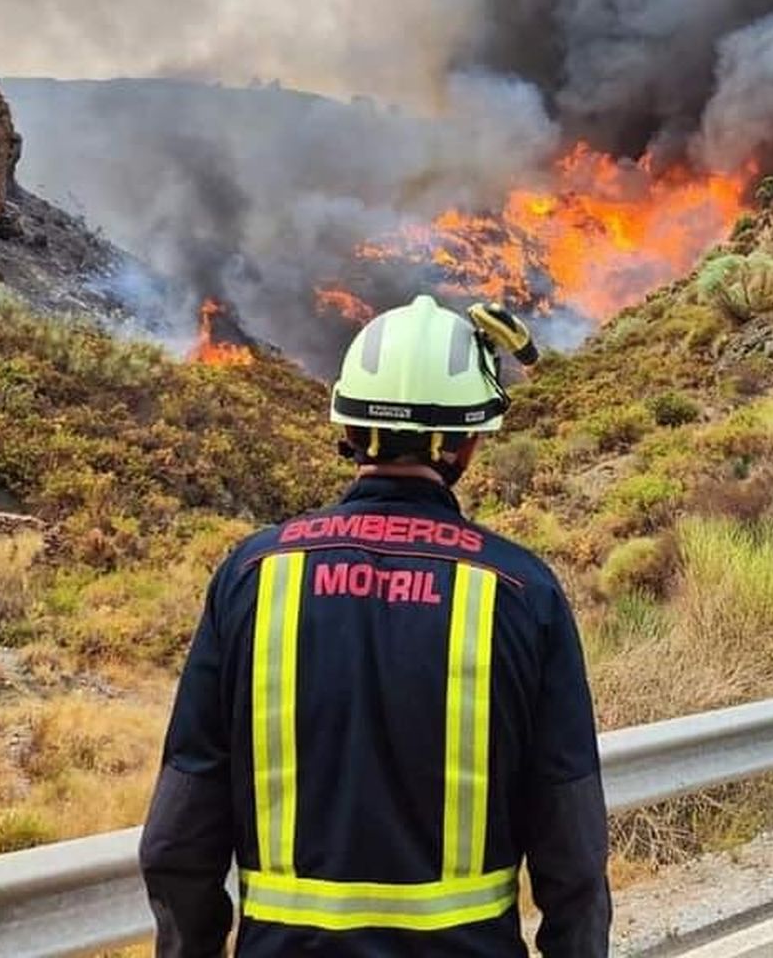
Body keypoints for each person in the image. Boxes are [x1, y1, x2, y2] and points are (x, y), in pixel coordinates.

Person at [140, 295, 610, 957]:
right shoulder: (520, 591)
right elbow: (573, 852)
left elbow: (177, 840)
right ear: (467, 442)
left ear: (350, 429)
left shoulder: (250, 578)